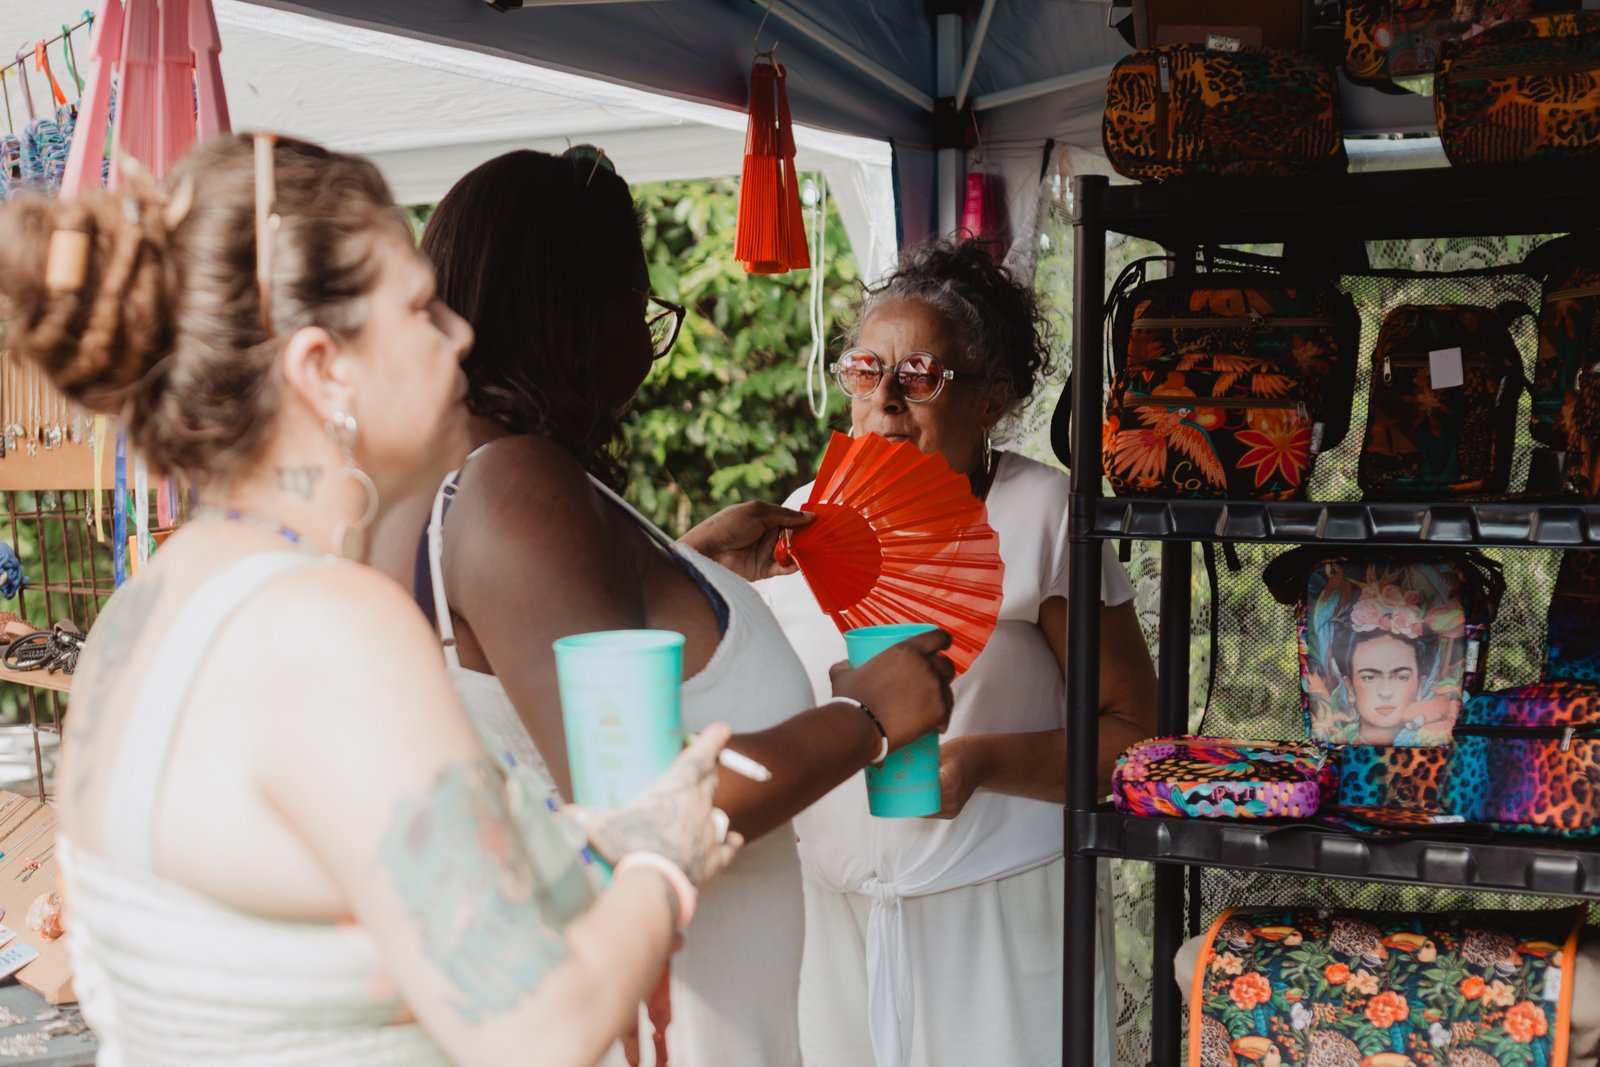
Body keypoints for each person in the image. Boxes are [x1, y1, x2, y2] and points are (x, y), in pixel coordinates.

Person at [0, 133, 740, 1066]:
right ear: (324, 369)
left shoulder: (145, 611)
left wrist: (575, 852)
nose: (460, 335)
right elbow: (537, 1027)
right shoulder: (333, 628)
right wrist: (663, 858)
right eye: (422, 308)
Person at [366, 148, 955, 1067]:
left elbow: (543, 680)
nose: (647, 342)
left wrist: (687, 569)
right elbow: (644, 807)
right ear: (576, 316)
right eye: (641, 308)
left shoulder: (441, 483)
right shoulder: (516, 486)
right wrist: (867, 718)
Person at [757, 238, 1160, 1067]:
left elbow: (1139, 737)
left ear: (990, 401)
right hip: (832, 923)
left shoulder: (1041, 516)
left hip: (1001, 917)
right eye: (866, 371)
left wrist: (980, 763)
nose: (885, 401)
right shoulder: (799, 521)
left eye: (920, 377)